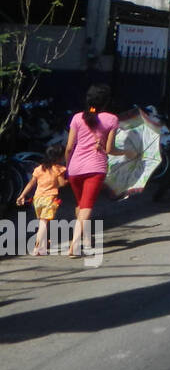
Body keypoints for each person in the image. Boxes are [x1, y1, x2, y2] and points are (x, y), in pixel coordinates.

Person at [63, 84, 124, 258]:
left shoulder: (76, 118)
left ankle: (87, 240)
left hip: (74, 168)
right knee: (86, 206)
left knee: (81, 205)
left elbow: (69, 148)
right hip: (95, 168)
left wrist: (68, 167)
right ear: (107, 101)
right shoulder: (112, 119)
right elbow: (110, 149)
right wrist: (128, 152)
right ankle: (74, 245)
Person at [17, 143, 68, 256]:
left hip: (37, 199)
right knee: (44, 224)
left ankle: (43, 247)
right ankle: (37, 247)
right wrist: (68, 181)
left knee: (42, 222)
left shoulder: (39, 169)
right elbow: (61, 184)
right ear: (59, 157)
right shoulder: (59, 169)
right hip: (49, 199)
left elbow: (31, 183)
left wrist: (22, 195)